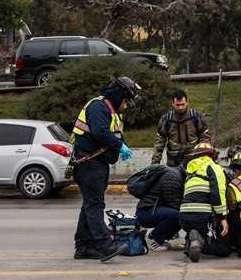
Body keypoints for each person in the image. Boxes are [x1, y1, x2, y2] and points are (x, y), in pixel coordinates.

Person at [69, 76, 142, 262]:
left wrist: (122, 145)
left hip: (97, 164)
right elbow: (100, 131)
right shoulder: (98, 106)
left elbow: (114, 134)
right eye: (126, 100)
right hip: (88, 164)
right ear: (119, 95)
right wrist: (119, 146)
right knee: (95, 205)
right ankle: (104, 246)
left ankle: (84, 247)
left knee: (89, 204)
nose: (126, 105)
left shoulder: (112, 112)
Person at [179, 142, 232, 262]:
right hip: (203, 216)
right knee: (224, 249)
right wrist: (222, 217)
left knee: (198, 228)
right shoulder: (213, 167)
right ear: (212, 155)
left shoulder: (190, 171)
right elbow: (217, 194)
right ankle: (200, 241)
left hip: (184, 217)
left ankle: (192, 240)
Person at [152, 89, 211, 167]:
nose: (180, 107)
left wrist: (204, 156)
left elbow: (205, 136)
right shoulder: (166, 119)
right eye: (178, 105)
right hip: (173, 161)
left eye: (183, 104)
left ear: (187, 102)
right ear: (172, 103)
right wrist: (154, 163)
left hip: (193, 160)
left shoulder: (196, 117)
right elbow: (159, 142)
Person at [135, 165, 185, 251]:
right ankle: (153, 239)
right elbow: (173, 202)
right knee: (178, 215)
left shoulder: (177, 175)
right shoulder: (172, 177)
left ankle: (160, 239)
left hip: (153, 210)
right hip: (146, 211)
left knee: (180, 216)